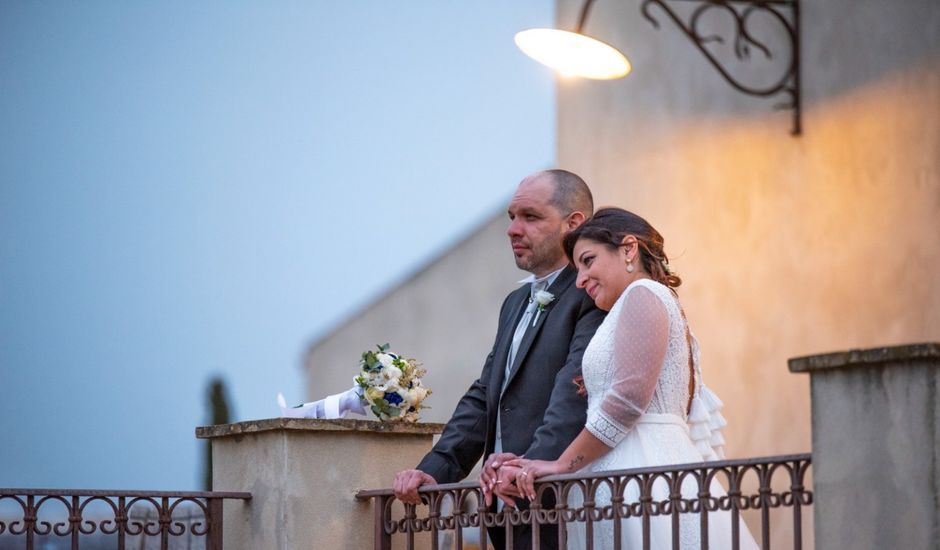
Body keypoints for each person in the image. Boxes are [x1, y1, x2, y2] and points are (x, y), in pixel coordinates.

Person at [503, 208, 758, 549]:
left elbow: (627, 400)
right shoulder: (632, 304)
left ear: (628, 249)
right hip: (626, 475)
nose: (580, 280)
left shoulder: (643, 295)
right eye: (577, 269)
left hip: (642, 477)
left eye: (589, 261)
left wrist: (562, 463)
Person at [393, 169, 605, 550]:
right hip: (507, 510)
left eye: (530, 217)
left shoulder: (591, 295)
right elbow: (484, 396)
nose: (513, 229)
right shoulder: (514, 303)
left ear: (573, 224)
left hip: (560, 501)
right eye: (511, 217)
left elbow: (573, 394)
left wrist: (526, 469)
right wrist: (434, 471)